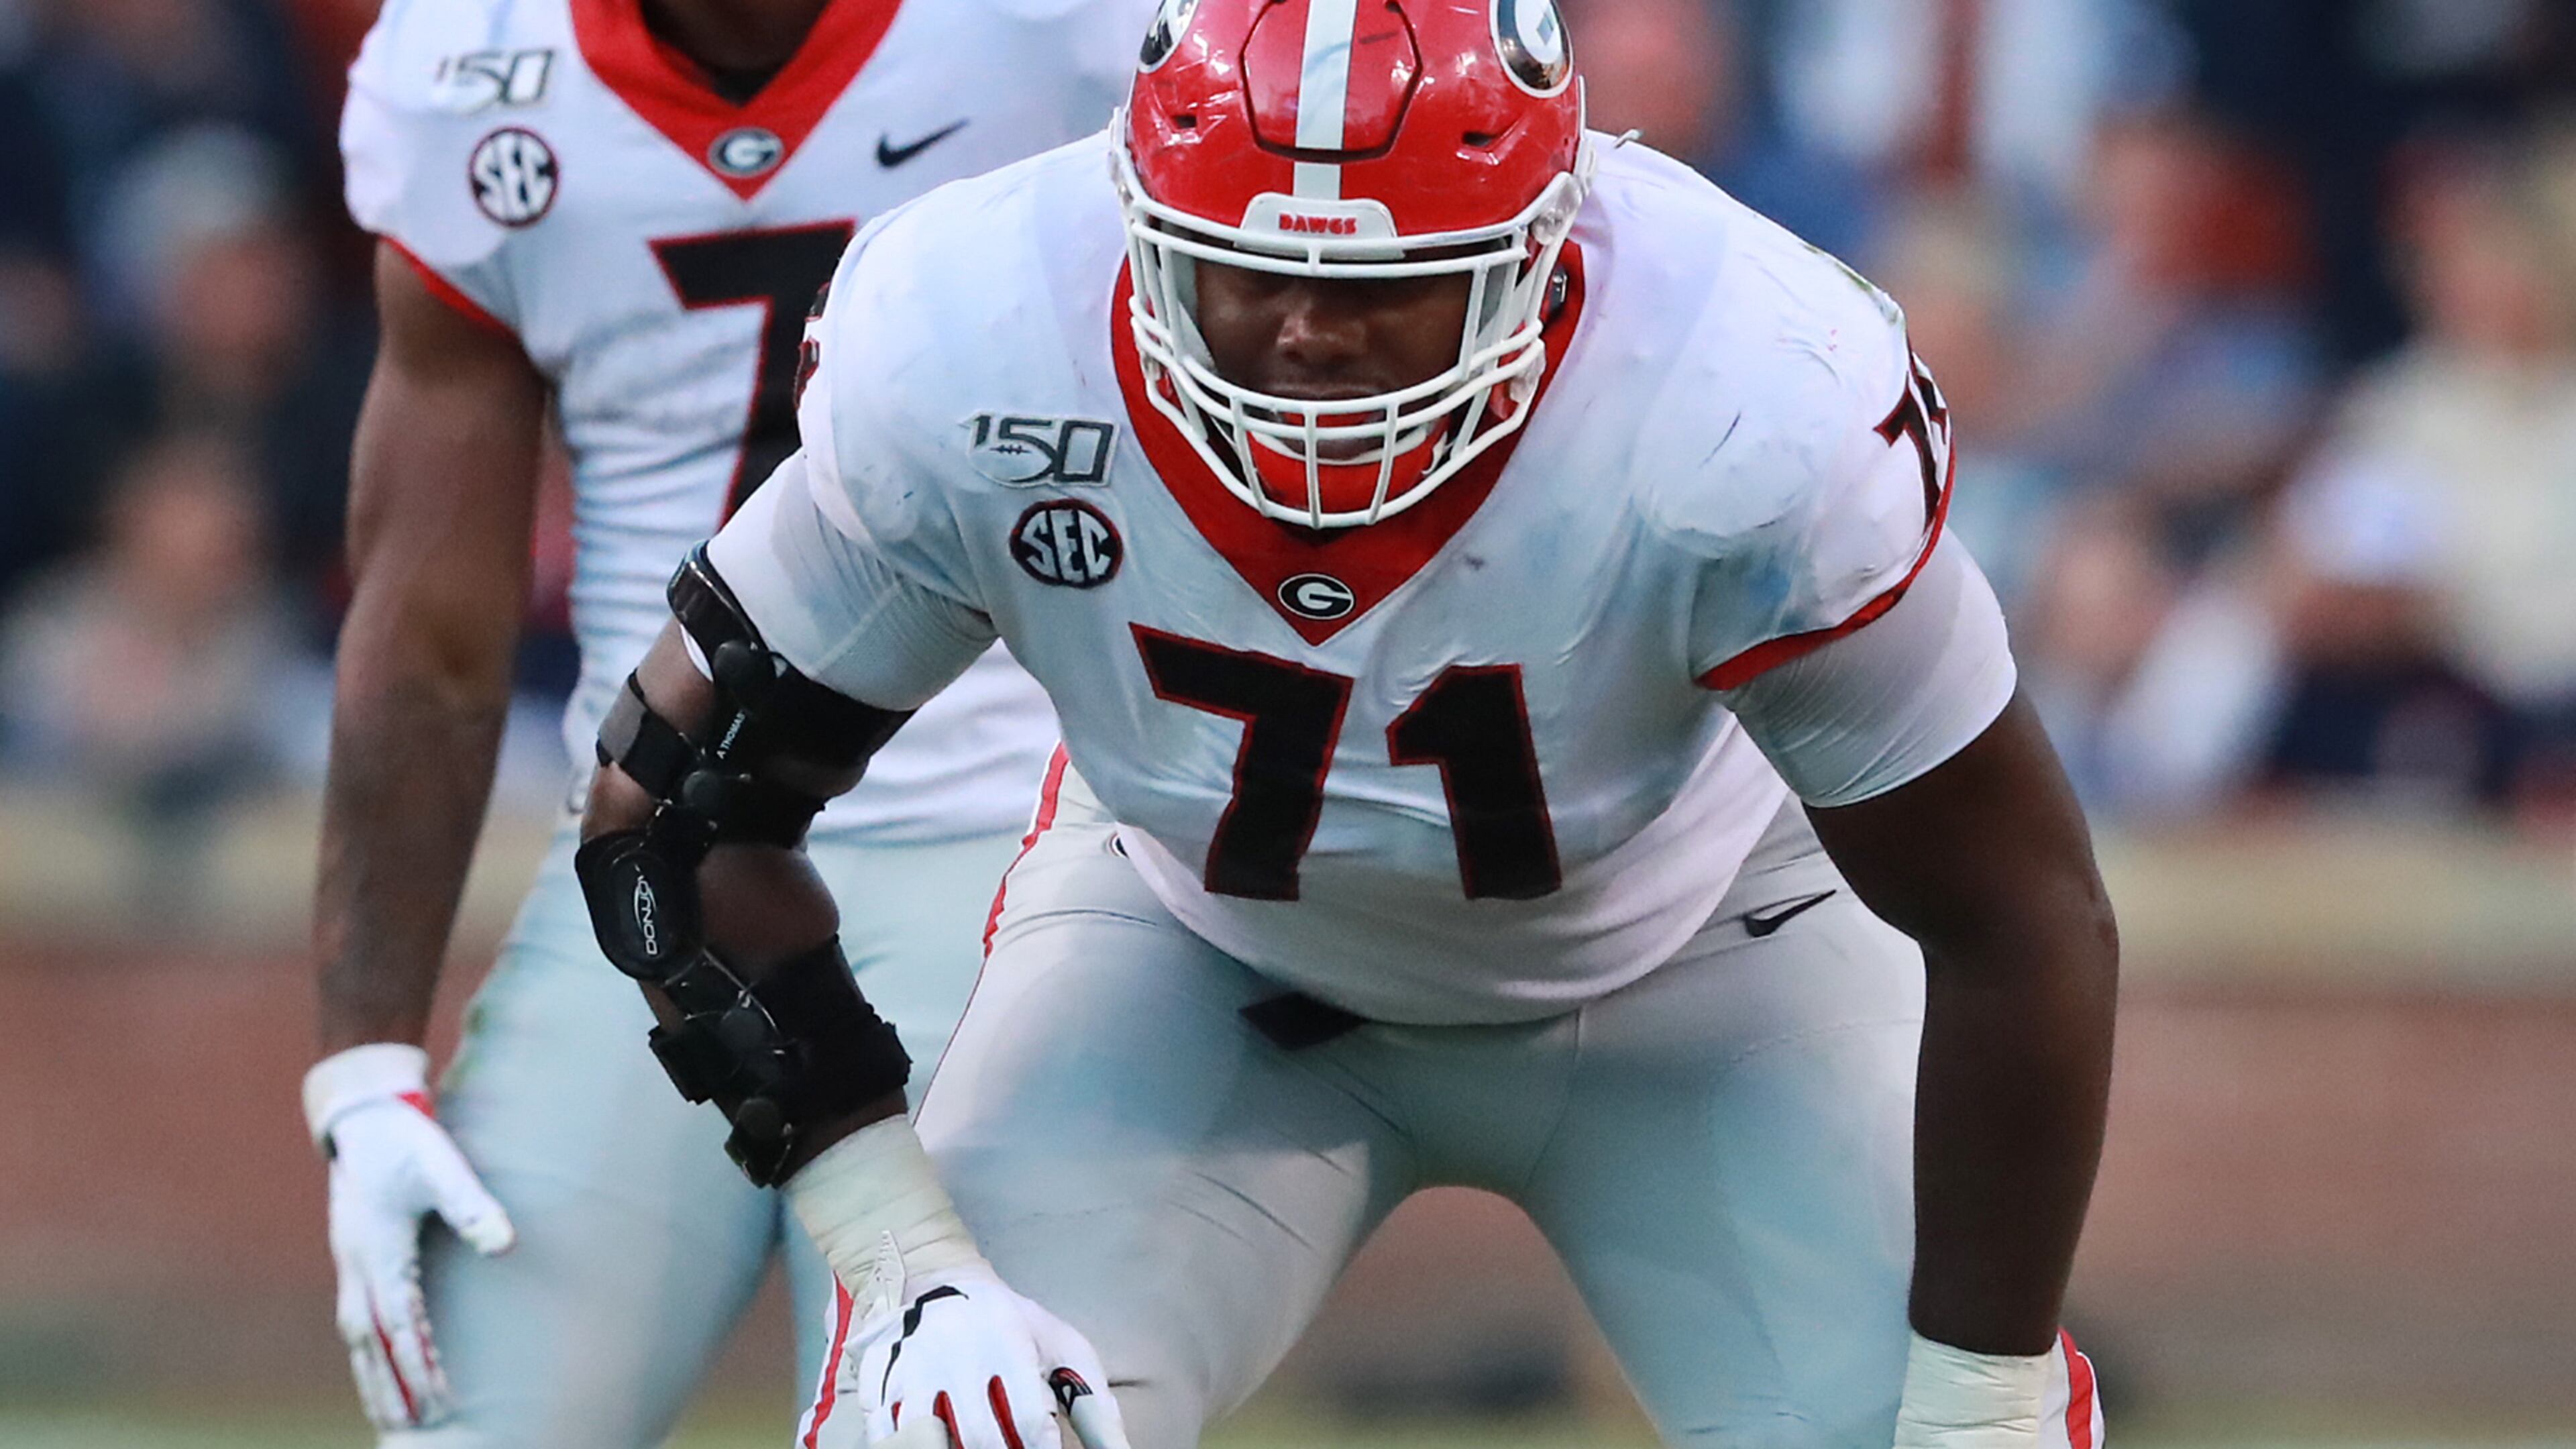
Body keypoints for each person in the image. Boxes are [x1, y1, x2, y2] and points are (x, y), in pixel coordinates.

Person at [577, 1, 2122, 1446]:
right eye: (1246, 272)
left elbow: (2025, 914)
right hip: (1194, 956)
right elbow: (669, 815)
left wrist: (1984, 1394)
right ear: (1138, 225)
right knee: (964, 1426)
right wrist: (910, 1269)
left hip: (1705, 956)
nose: (1311, 334)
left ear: (1541, 249)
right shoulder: (981, 336)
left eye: (1387, 284)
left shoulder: (1744, 390)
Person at [301, 0, 1157, 1444]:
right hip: (649, 865)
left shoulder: (1071, 31)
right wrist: (366, 1066)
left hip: (1009, 835)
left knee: (962, 1418)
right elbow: (430, 629)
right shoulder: (471, 69)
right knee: (486, 1424)